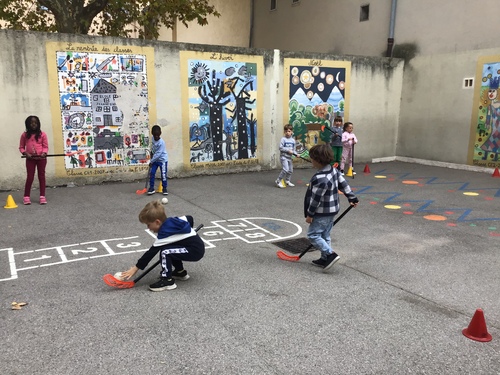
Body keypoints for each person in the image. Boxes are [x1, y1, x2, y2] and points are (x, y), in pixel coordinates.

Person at [119, 200, 205, 292]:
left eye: (148, 225)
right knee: (171, 246)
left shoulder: (164, 234)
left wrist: (135, 269)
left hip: (195, 251)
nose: (148, 228)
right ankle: (180, 272)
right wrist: (186, 233)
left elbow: (150, 253)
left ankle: (167, 281)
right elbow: (189, 218)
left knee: (165, 252)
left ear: (157, 222)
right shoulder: (172, 220)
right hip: (195, 247)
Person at [304, 144, 358, 270]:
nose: (311, 161)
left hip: (321, 212)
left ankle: (330, 254)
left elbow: (315, 199)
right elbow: (344, 184)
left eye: (312, 158)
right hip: (333, 210)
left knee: (313, 235)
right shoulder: (334, 170)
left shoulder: (320, 178)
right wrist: (352, 197)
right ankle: (324, 259)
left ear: (317, 160)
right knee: (325, 235)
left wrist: (310, 214)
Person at [19, 115, 49, 205]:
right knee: (30, 177)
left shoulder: (43, 134)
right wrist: (25, 153)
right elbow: (21, 147)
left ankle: (42, 196)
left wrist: (44, 153)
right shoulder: (24, 135)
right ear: (27, 124)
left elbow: (45, 146)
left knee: (41, 176)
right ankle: (26, 197)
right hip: (30, 159)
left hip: (41, 159)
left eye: (35, 122)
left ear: (38, 124)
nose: (33, 124)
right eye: (31, 123)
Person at [148, 125, 169, 195]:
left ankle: (164, 188)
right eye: (154, 135)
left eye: (157, 135)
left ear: (160, 133)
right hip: (155, 160)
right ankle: (151, 188)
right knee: (152, 173)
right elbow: (153, 147)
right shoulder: (152, 138)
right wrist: (151, 152)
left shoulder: (162, 142)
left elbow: (158, 154)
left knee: (163, 175)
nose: (156, 136)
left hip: (162, 160)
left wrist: (151, 161)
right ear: (152, 134)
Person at [275, 124, 296, 188]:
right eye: (286, 131)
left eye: (289, 131)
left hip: (289, 158)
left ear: (292, 132)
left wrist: (296, 154)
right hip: (283, 157)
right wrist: (287, 150)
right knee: (285, 169)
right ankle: (278, 181)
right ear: (284, 132)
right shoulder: (283, 139)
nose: (287, 133)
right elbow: (280, 148)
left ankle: (287, 181)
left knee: (290, 170)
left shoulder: (293, 140)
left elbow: (293, 149)